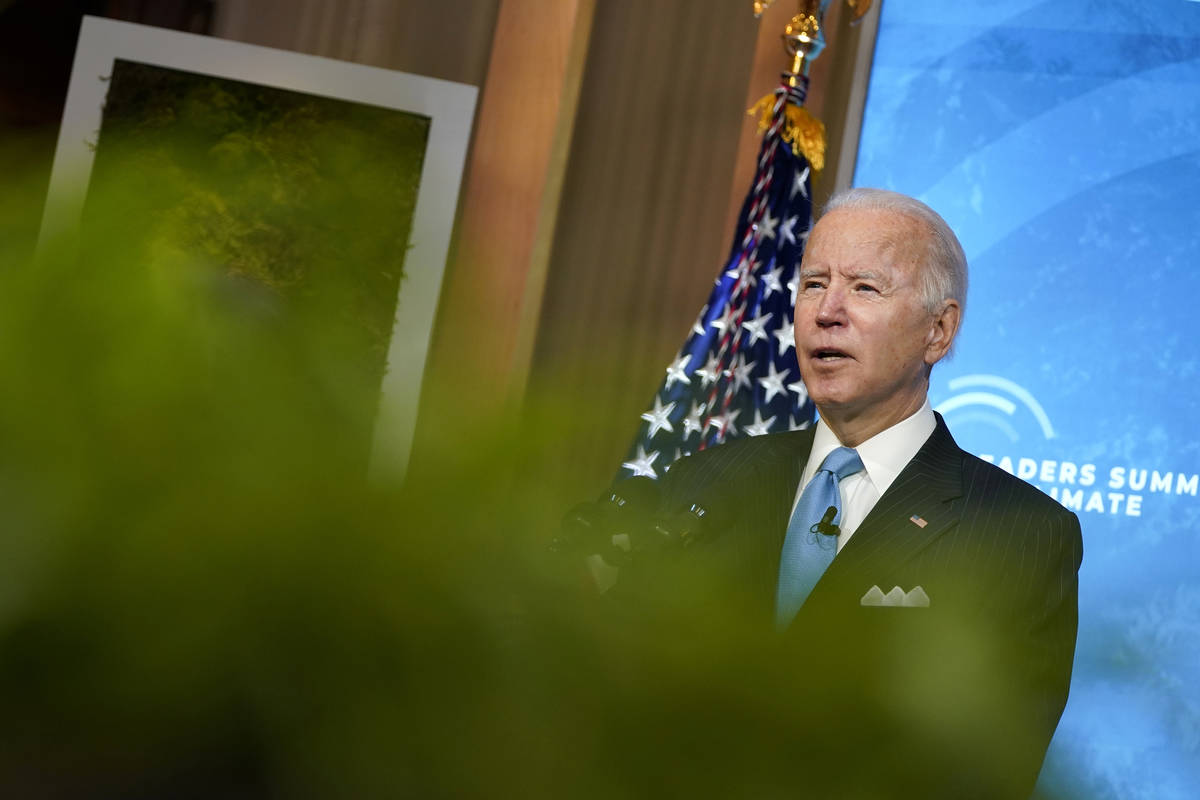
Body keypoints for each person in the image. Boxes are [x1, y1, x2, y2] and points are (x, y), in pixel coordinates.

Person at [648, 188, 1083, 799]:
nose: (827, 311)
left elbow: (983, 772)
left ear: (939, 330)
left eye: (864, 288)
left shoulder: (1021, 532)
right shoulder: (705, 483)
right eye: (813, 283)